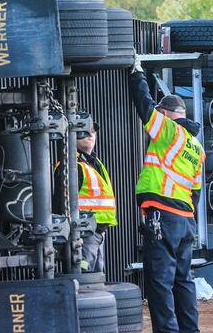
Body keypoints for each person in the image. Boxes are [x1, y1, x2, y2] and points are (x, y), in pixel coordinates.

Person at [129, 56, 205, 333]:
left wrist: (136, 74)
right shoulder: (196, 146)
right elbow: (195, 190)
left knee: (159, 281)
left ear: (168, 114)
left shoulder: (169, 131)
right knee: (183, 280)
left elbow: (144, 106)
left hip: (164, 215)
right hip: (185, 218)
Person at [75, 122, 118, 273]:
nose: (90, 134)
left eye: (93, 131)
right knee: (85, 277)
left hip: (98, 232)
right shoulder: (72, 165)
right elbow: (61, 203)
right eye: (85, 131)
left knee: (97, 279)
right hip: (84, 234)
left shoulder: (95, 163)